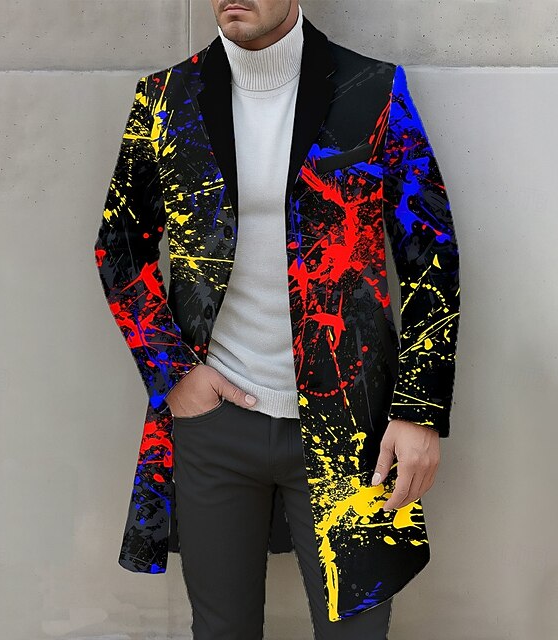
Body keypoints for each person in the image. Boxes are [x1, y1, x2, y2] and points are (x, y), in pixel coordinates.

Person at [94, 1, 461, 638]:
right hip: (215, 426)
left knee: (356, 632)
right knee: (221, 630)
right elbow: (119, 247)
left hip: (353, 428)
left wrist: (418, 411)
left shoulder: (372, 88)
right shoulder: (165, 99)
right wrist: (176, 373)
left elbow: (430, 252)